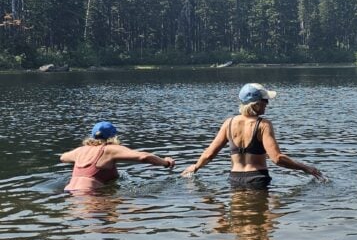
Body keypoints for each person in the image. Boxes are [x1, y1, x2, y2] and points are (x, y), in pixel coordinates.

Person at [181, 83, 324, 188]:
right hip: (258, 179)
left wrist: (195, 167)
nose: (267, 104)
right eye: (265, 101)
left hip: (234, 179)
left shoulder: (228, 123)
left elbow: (209, 154)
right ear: (255, 104)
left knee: (239, 218)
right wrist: (305, 167)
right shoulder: (263, 125)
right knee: (261, 219)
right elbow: (277, 158)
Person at [60, 121, 175, 192]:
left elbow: (63, 157)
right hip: (89, 195)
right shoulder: (110, 149)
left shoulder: (80, 150)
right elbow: (144, 157)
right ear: (113, 137)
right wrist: (166, 162)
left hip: (69, 193)